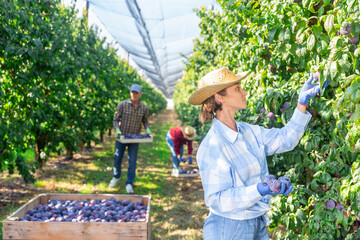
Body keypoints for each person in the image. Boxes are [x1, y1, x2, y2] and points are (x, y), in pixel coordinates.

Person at [188, 67, 328, 240]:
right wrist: (259, 190)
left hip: (257, 221)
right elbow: (218, 199)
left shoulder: (248, 131)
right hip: (230, 227)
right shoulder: (213, 146)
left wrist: (302, 103)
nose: (245, 92)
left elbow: (286, 139)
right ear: (219, 97)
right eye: (238, 88)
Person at [109, 84, 151, 193]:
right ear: (130, 93)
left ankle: (129, 183)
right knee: (117, 158)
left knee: (132, 161)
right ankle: (116, 176)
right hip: (122, 137)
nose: (134, 95)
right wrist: (117, 129)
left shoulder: (144, 107)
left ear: (140, 94)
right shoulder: (122, 105)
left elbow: (145, 121)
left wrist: (147, 129)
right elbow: (115, 119)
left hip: (134, 138)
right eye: (133, 93)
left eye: (136, 93)